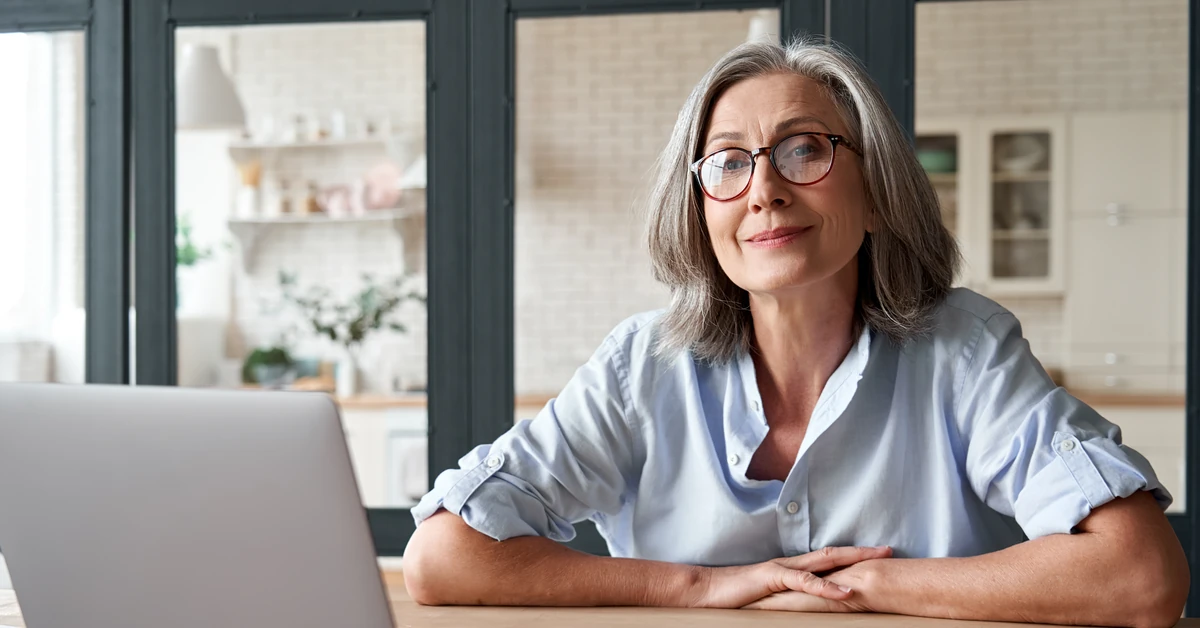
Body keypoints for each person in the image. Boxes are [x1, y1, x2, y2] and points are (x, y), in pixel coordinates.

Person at [403, 38, 1189, 626]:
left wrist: (865, 585)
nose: (764, 190)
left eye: (804, 149)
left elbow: (1140, 577)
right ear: (700, 208)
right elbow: (442, 558)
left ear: (876, 191)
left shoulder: (966, 348)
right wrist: (703, 587)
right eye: (727, 162)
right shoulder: (641, 365)